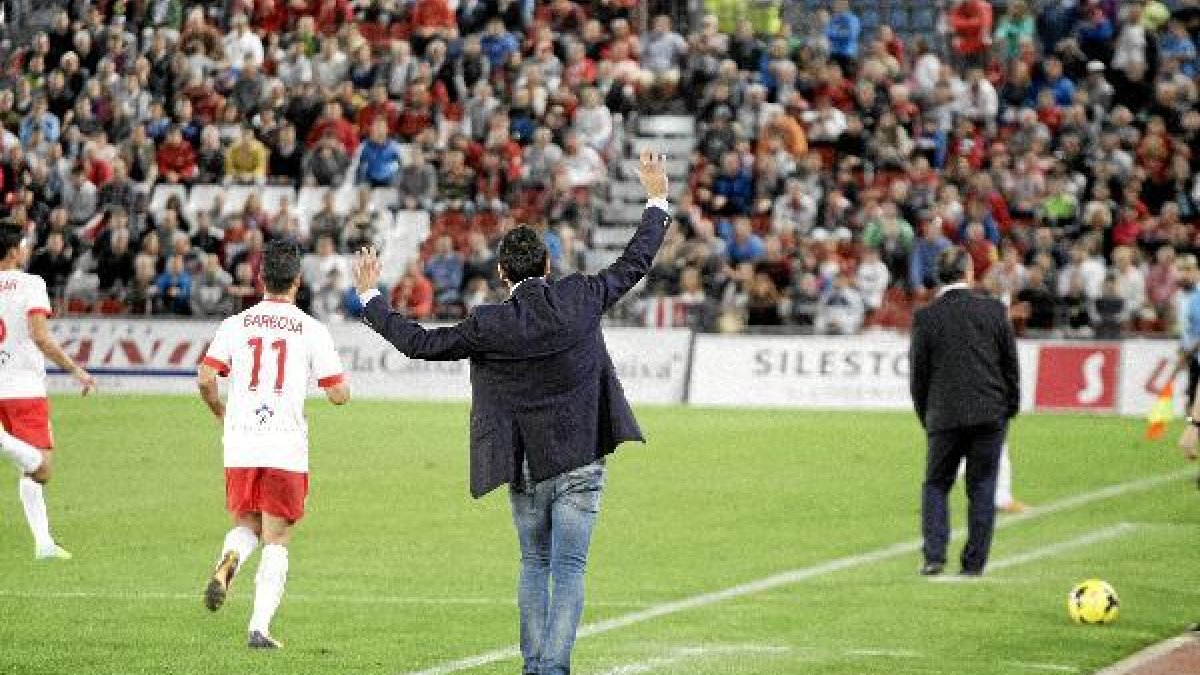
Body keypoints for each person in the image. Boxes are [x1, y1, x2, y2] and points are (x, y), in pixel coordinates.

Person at [351, 151, 671, 675]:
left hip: (523, 464)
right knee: (568, 569)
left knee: (534, 564)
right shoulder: (580, 295)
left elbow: (419, 344)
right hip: (582, 459)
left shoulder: (488, 323)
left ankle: (533, 667)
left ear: (502, 274)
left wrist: (371, 298)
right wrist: (656, 198)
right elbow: (634, 262)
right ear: (547, 264)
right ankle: (553, 669)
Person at [196, 239, 351, 649]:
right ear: (298, 281)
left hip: (241, 441)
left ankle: (228, 563)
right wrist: (340, 386)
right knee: (277, 537)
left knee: (246, 522)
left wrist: (221, 414)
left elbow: (206, 379)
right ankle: (259, 628)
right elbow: (337, 394)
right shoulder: (311, 329)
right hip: (284, 443)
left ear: (262, 279)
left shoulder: (236, 324)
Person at [910, 247, 1020, 577]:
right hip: (989, 411)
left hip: (943, 414)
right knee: (983, 487)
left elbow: (919, 375)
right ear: (968, 273)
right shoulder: (993, 310)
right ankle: (973, 564)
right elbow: (1008, 365)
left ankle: (934, 557)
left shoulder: (926, 317)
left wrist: (926, 415)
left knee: (936, 484)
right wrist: (1009, 407)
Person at [0, 220, 96, 560]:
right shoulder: (30, 284)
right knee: (42, 467)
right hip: (23, 389)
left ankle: (43, 543)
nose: (26, 249)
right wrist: (75, 370)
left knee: (32, 469)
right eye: (24, 244)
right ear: (13, 251)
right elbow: (40, 336)